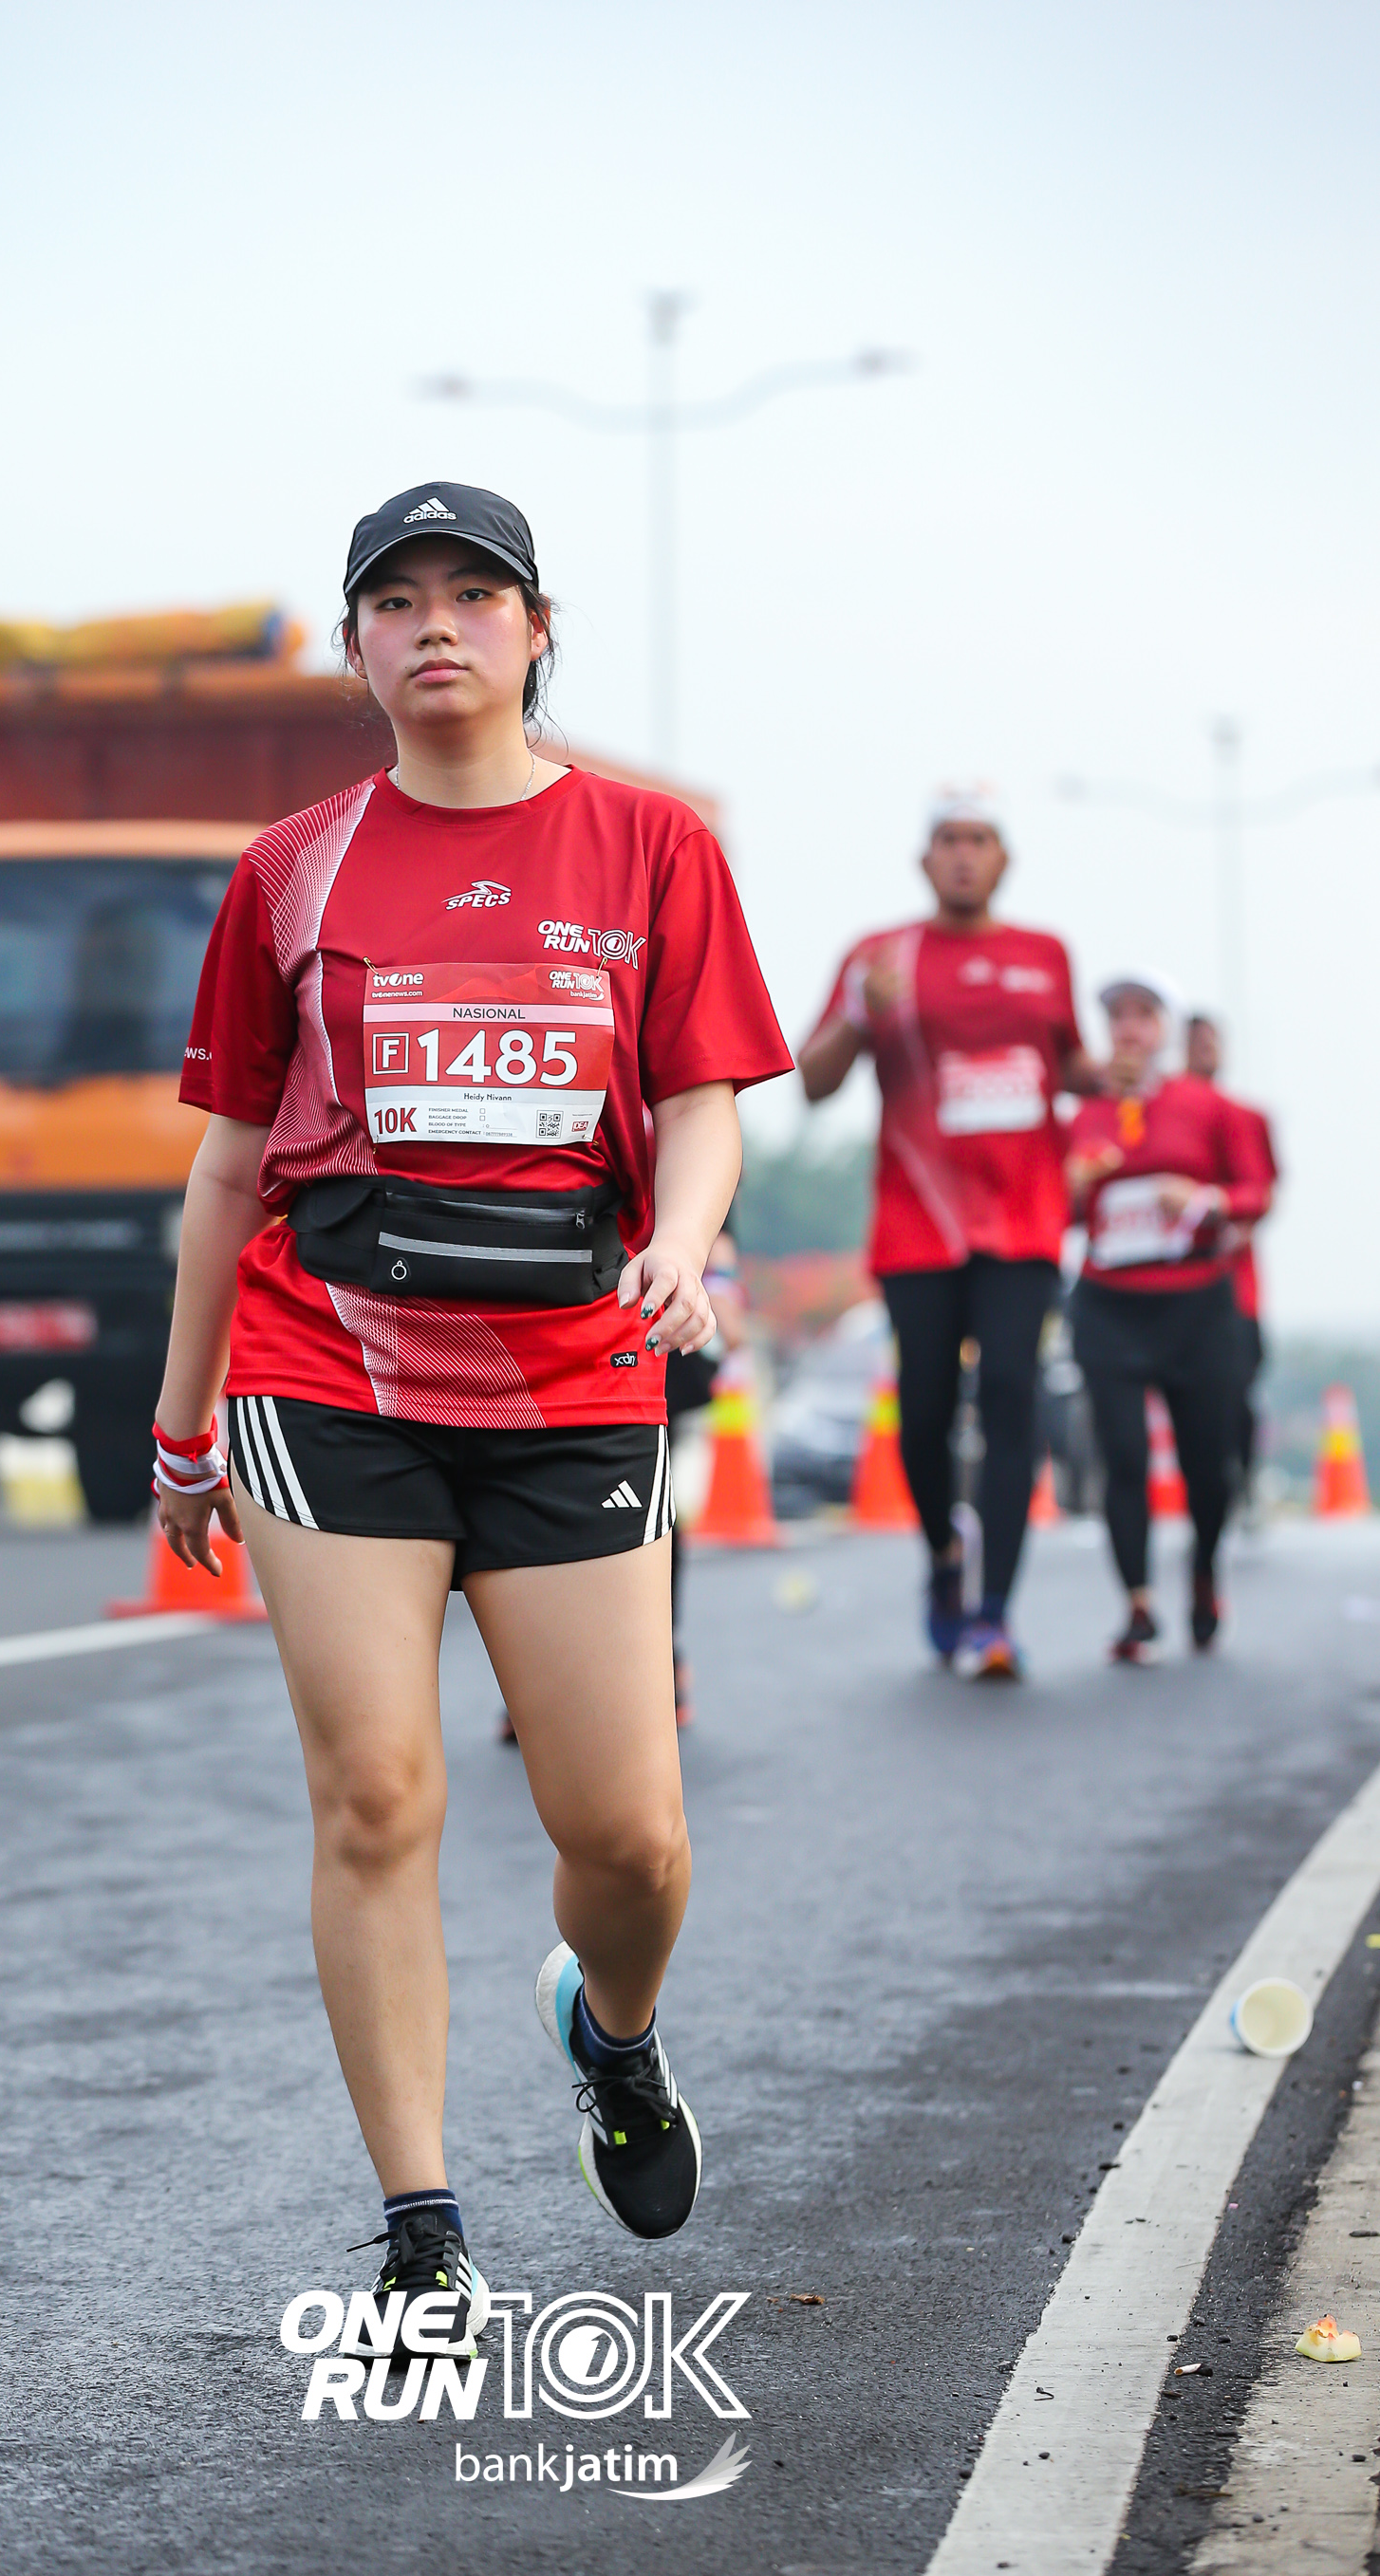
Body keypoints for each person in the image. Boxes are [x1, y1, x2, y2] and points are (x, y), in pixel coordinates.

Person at [152, 483, 792, 2354]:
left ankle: (614, 2035)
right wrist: (182, 1427)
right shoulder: (290, 871)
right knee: (378, 1795)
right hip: (326, 1371)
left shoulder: (648, 846)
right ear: (356, 645)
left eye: (475, 594)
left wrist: (680, 1246)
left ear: (534, 628)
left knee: (631, 1840)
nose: (435, 625)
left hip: (575, 1376)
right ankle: (422, 2233)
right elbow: (227, 1169)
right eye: (396, 600)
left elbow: (701, 1100)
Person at [796, 788, 1103, 1680]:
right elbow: (812, 1081)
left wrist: (1114, 1075)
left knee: (1012, 1395)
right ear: (923, 860)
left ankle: (995, 1613)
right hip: (919, 1225)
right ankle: (942, 1558)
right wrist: (861, 1016)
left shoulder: (1045, 955)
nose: (964, 854)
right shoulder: (880, 955)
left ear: (1005, 860)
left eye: (979, 840)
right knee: (926, 1412)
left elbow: (1067, 1066)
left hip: (1024, 1221)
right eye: (948, 840)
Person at [1066, 976, 1274, 1662]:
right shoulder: (1082, 1115)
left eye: (1143, 1016)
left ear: (1164, 1030)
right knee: (1122, 1455)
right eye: (1115, 1017)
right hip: (1109, 1302)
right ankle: (1137, 1605)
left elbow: (1257, 1191)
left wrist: (1205, 1199)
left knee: (1207, 1466)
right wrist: (1072, 1185)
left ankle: (1205, 1570)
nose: (1128, 1029)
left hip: (1196, 1303)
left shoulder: (1209, 1106)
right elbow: (1048, 1209)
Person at [1184, 1011, 1279, 1509]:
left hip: (1233, 1288)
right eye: (1195, 1042)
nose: (1205, 1051)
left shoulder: (1244, 1117)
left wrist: (1220, 1209)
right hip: (1172, 1287)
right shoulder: (1157, 1118)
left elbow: (1261, 1192)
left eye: (1211, 1042)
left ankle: (1240, 1481)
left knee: (1235, 1392)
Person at [664, 1227, 747, 1729]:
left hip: (656, 1285)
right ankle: (540, 1675)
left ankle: (660, 1658)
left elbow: (720, 1207)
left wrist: (723, 1283)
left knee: (646, 1490)